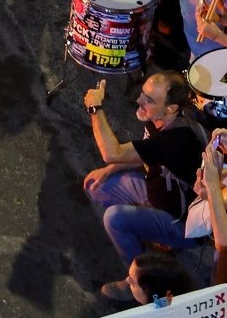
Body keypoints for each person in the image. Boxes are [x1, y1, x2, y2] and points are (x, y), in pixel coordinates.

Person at [84, 70, 208, 302]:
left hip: (181, 223)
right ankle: (152, 237)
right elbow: (145, 152)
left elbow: (111, 153)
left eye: (149, 100)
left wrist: (95, 108)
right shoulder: (162, 118)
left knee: (115, 219)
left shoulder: (176, 139)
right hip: (157, 193)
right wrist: (110, 170)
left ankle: (141, 280)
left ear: (171, 108)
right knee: (97, 185)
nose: (139, 100)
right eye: (142, 93)